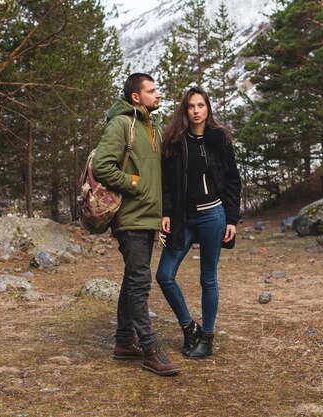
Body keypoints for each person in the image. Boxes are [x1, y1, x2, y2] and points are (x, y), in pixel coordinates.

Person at [92, 73, 181, 376]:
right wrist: (133, 183)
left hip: (148, 216)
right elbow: (101, 165)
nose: (158, 94)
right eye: (152, 90)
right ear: (135, 97)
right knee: (141, 282)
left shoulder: (152, 127)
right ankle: (150, 351)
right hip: (130, 217)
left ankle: (122, 342)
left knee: (133, 279)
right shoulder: (121, 125)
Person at [156, 86, 241, 359]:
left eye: (201, 105)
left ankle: (207, 336)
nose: (196, 111)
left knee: (208, 278)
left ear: (208, 109)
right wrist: (166, 212)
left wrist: (232, 219)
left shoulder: (219, 138)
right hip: (184, 218)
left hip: (213, 216)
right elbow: (166, 182)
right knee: (164, 275)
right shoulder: (175, 140)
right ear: (185, 109)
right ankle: (188, 326)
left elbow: (232, 180)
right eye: (191, 106)